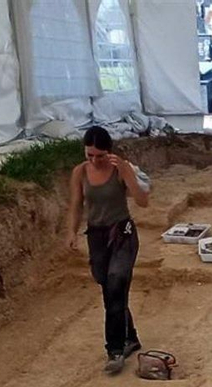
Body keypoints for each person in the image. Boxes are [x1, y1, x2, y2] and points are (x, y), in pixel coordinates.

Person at [67, 126, 150, 374]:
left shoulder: (119, 170)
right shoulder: (80, 173)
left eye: (99, 155)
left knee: (116, 282)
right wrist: (71, 231)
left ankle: (114, 351)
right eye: (89, 155)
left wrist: (127, 172)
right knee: (109, 288)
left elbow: (143, 201)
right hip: (97, 235)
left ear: (109, 152)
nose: (94, 160)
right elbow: (76, 205)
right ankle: (131, 337)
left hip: (122, 233)